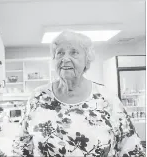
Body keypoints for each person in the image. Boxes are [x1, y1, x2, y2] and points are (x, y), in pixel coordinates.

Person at [12, 31, 145, 157]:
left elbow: (132, 149)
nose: (65, 59)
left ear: (87, 59)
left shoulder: (108, 99)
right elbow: (20, 147)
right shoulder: (37, 97)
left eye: (74, 52)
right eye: (60, 53)